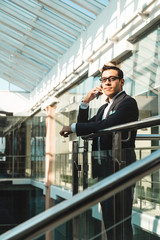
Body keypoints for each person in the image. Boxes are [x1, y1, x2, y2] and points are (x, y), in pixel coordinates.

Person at [59, 64, 139, 240]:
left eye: (112, 79)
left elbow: (106, 126)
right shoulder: (104, 108)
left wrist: (72, 127)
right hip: (104, 168)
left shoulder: (127, 102)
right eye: (104, 80)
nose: (107, 83)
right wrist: (85, 102)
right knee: (109, 218)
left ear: (122, 82)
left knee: (121, 218)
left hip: (121, 167)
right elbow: (87, 129)